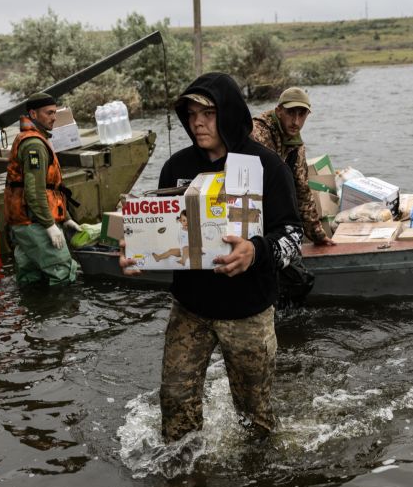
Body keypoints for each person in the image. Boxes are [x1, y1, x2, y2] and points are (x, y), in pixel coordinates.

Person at [120, 72, 303, 442]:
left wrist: (256, 251)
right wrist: (137, 252)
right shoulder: (177, 167)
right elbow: (161, 229)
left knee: (255, 416)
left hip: (248, 312)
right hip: (191, 309)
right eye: (190, 115)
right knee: (174, 400)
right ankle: (182, 474)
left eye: (207, 113)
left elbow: (293, 237)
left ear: (231, 114)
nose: (197, 122)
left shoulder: (268, 167)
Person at [4, 92, 82, 286]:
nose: (54, 117)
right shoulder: (34, 146)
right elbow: (35, 191)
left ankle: (36, 313)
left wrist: (66, 218)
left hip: (24, 221)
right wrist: (50, 226)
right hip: (33, 222)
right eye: (48, 113)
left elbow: (47, 189)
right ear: (33, 114)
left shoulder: (31, 138)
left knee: (32, 278)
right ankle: (62, 316)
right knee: (63, 273)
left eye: (55, 112)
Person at [250, 86, 335, 246]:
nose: (296, 121)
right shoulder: (257, 133)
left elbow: (302, 191)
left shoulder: (296, 144)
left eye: (301, 114)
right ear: (279, 111)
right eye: (290, 113)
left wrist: (317, 235)